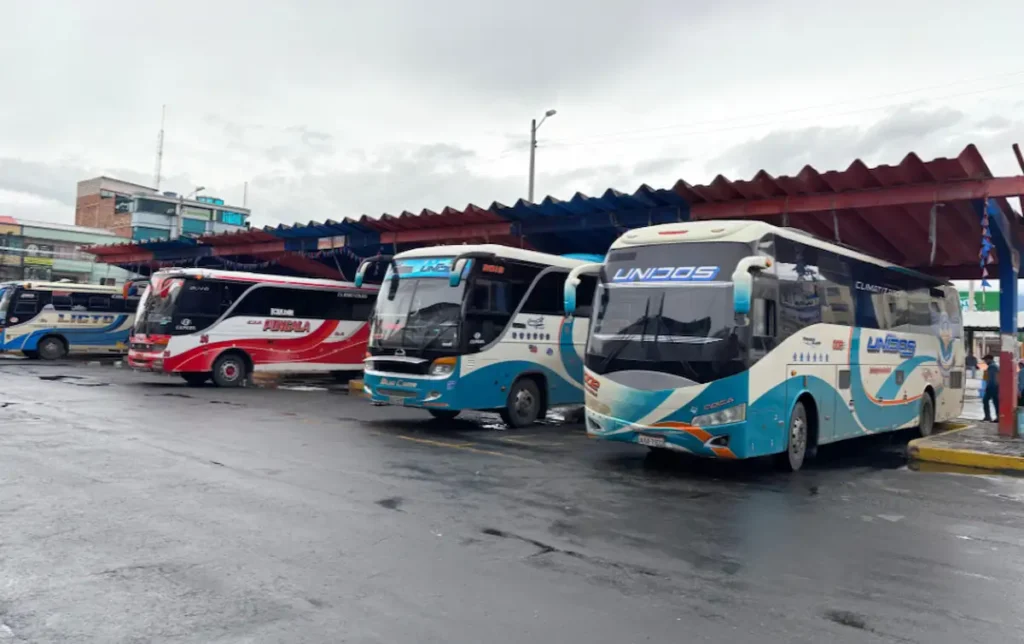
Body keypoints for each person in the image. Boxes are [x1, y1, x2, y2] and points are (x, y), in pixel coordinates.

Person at [982, 354, 999, 423]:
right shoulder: (994, 366)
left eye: (986, 360)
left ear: (990, 359)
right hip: (994, 387)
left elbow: (992, 379)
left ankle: (989, 417)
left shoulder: (992, 367)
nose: (985, 361)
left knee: (993, 402)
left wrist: (988, 387)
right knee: (994, 402)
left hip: (992, 387)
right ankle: (989, 416)